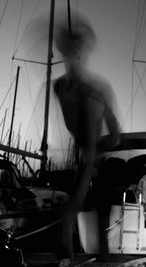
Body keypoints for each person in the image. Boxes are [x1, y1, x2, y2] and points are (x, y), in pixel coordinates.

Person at [52, 17, 120, 267]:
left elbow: (112, 136)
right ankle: (72, 260)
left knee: (77, 213)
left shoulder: (94, 90)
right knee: (81, 215)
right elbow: (113, 136)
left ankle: (72, 260)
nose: (71, 54)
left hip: (94, 161)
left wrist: (91, 158)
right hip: (87, 159)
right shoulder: (63, 87)